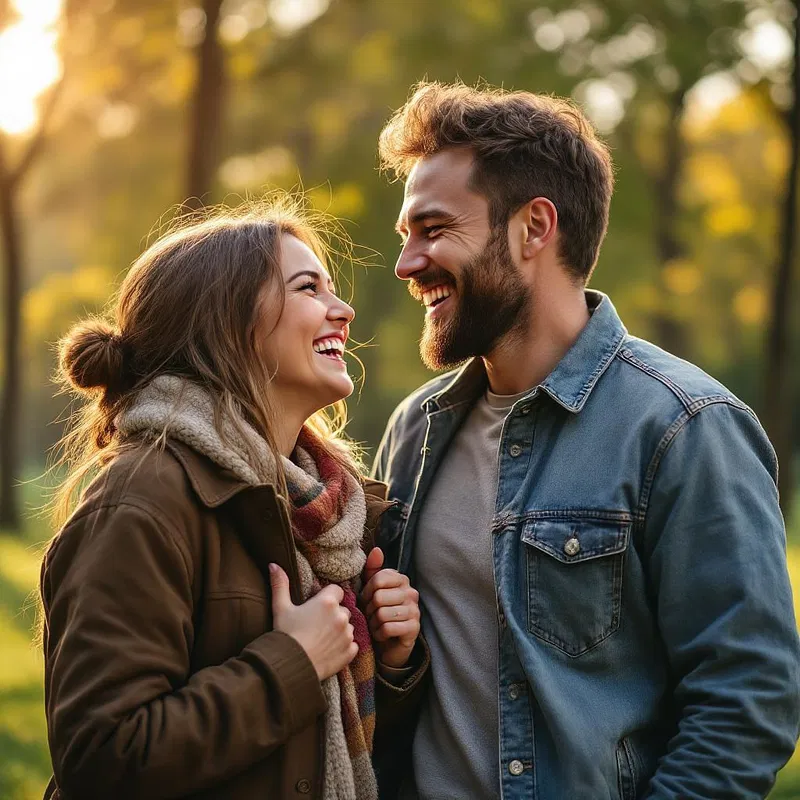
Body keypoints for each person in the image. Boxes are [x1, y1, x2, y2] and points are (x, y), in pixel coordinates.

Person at [372, 81, 800, 800]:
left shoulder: (683, 425)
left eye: (434, 229)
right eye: (406, 235)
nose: (407, 264)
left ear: (533, 229)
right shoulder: (416, 429)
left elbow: (745, 706)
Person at [39, 197, 427, 800]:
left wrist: (389, 660)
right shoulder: (142, 499)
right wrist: (294, 661)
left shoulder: (327, 516)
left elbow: (322, 755)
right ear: (227, 322)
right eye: (308, 288)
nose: (343, 310)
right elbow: (102, 758)